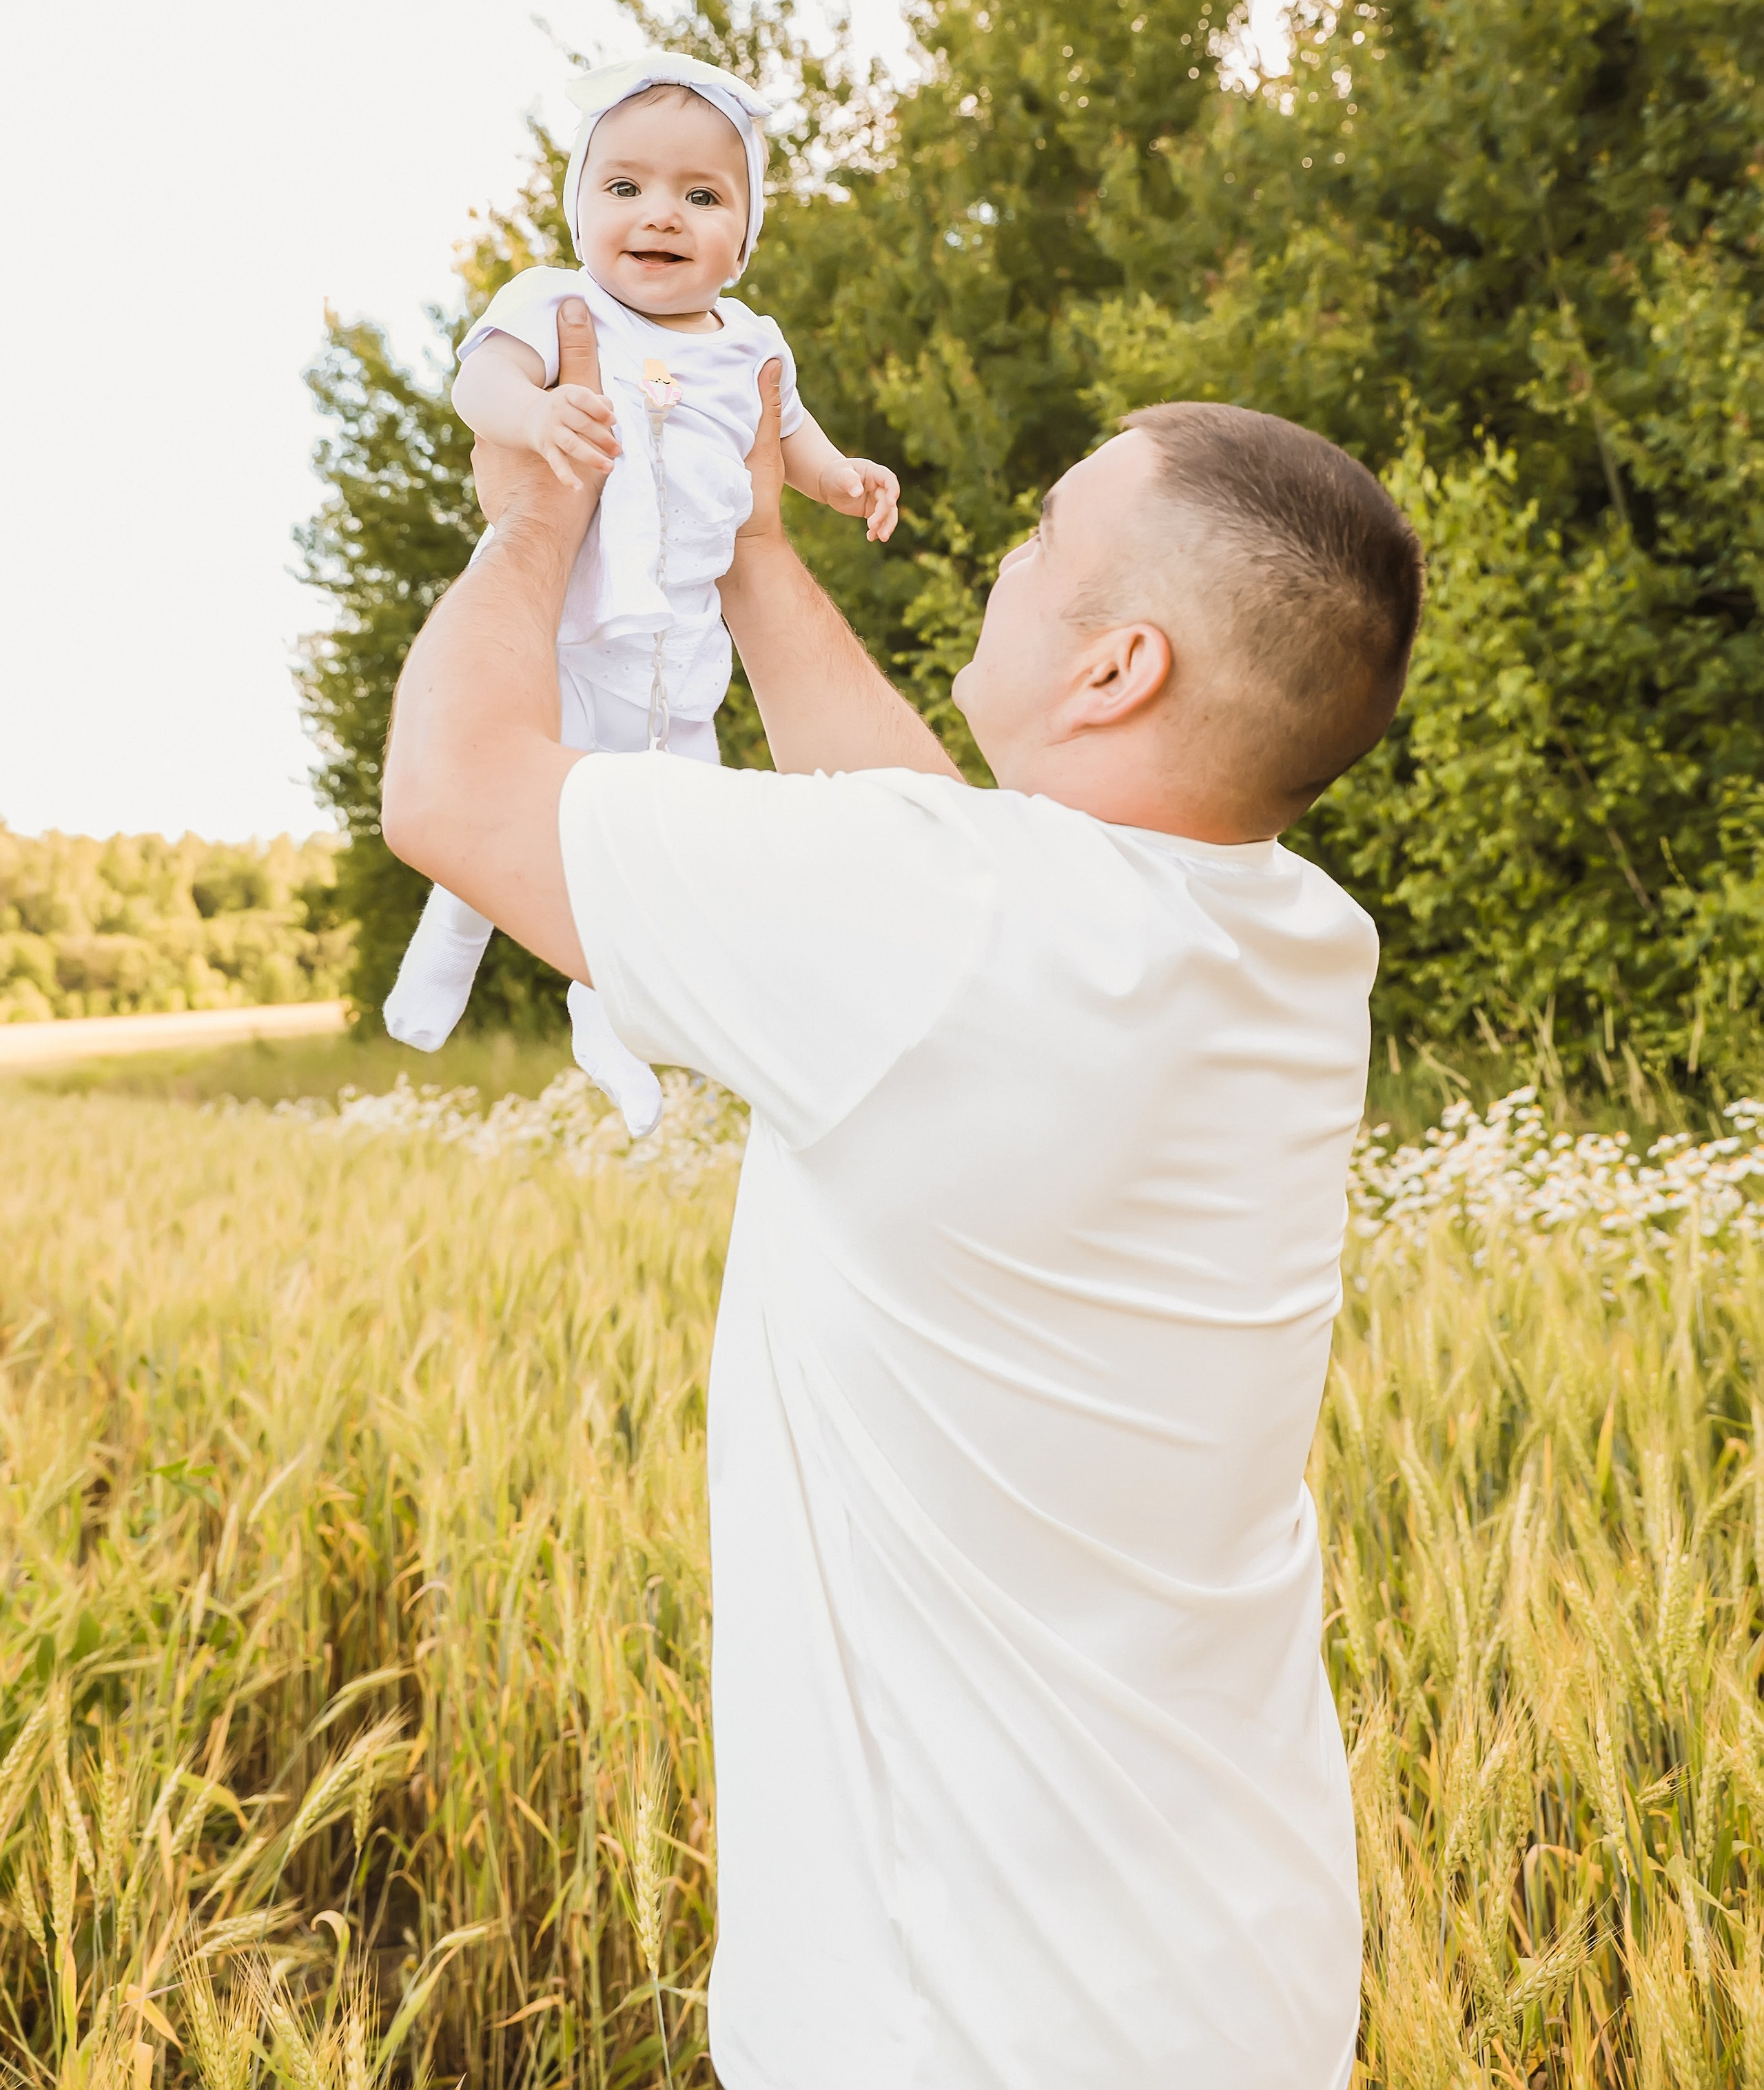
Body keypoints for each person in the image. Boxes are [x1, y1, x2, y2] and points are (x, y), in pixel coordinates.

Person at [380, 302, 1424, 2089]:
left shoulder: (951, 932)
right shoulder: (1292, 940)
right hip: (1238, 1986)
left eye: (1041, 537)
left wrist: (534, 515)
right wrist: (751, 554)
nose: (1008, 558)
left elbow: (453, 791)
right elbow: (945, 883)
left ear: (1117, 670)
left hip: (962, 2033)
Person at [383, 48, 899, 1132]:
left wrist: (843, 481)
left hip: (681, 654)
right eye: (624, 186)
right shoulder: (559, 301)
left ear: (745, 237)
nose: (660, 214)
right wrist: (535, 417)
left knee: (668, 849)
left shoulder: (752, 342)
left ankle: (615, 1019)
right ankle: (444, 956)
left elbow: (792, 440)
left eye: (702, 196)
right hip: (567, 632)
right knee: (507, 810)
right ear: (580, 207)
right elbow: (480, 381)